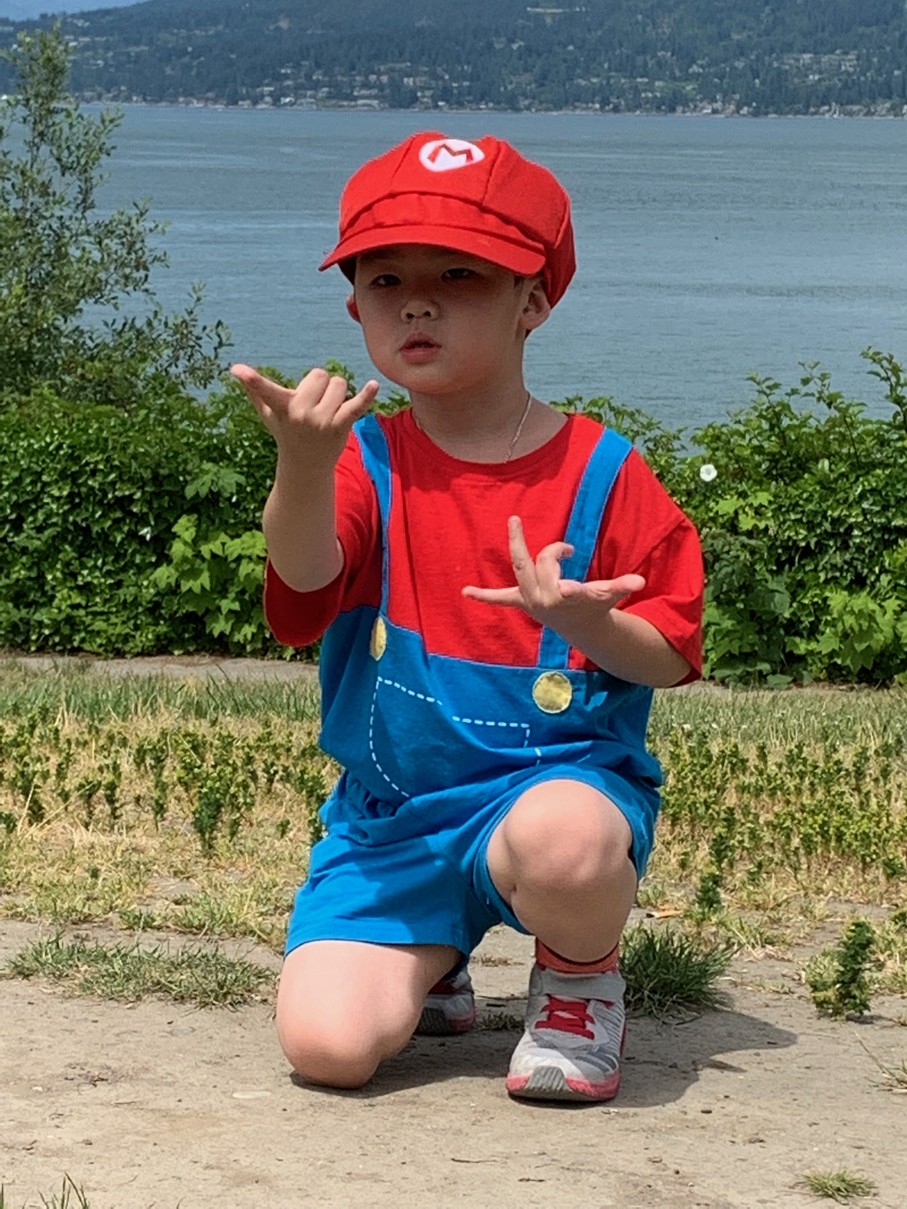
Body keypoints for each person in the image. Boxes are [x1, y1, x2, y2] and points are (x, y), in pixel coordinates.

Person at [232, 131, 703, 1103]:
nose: (417, 301)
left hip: (550, 802)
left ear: (534, 300)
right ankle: (434, 956)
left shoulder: (604, 472)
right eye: (386, 278)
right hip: (393, 821)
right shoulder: (364, 462)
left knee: (568, 842)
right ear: (355, 306)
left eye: (459, 274)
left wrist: (587, 622)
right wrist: (303, 468)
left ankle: (577, 981)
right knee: (326, 1048)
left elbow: (669, 654)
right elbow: (302, 590)